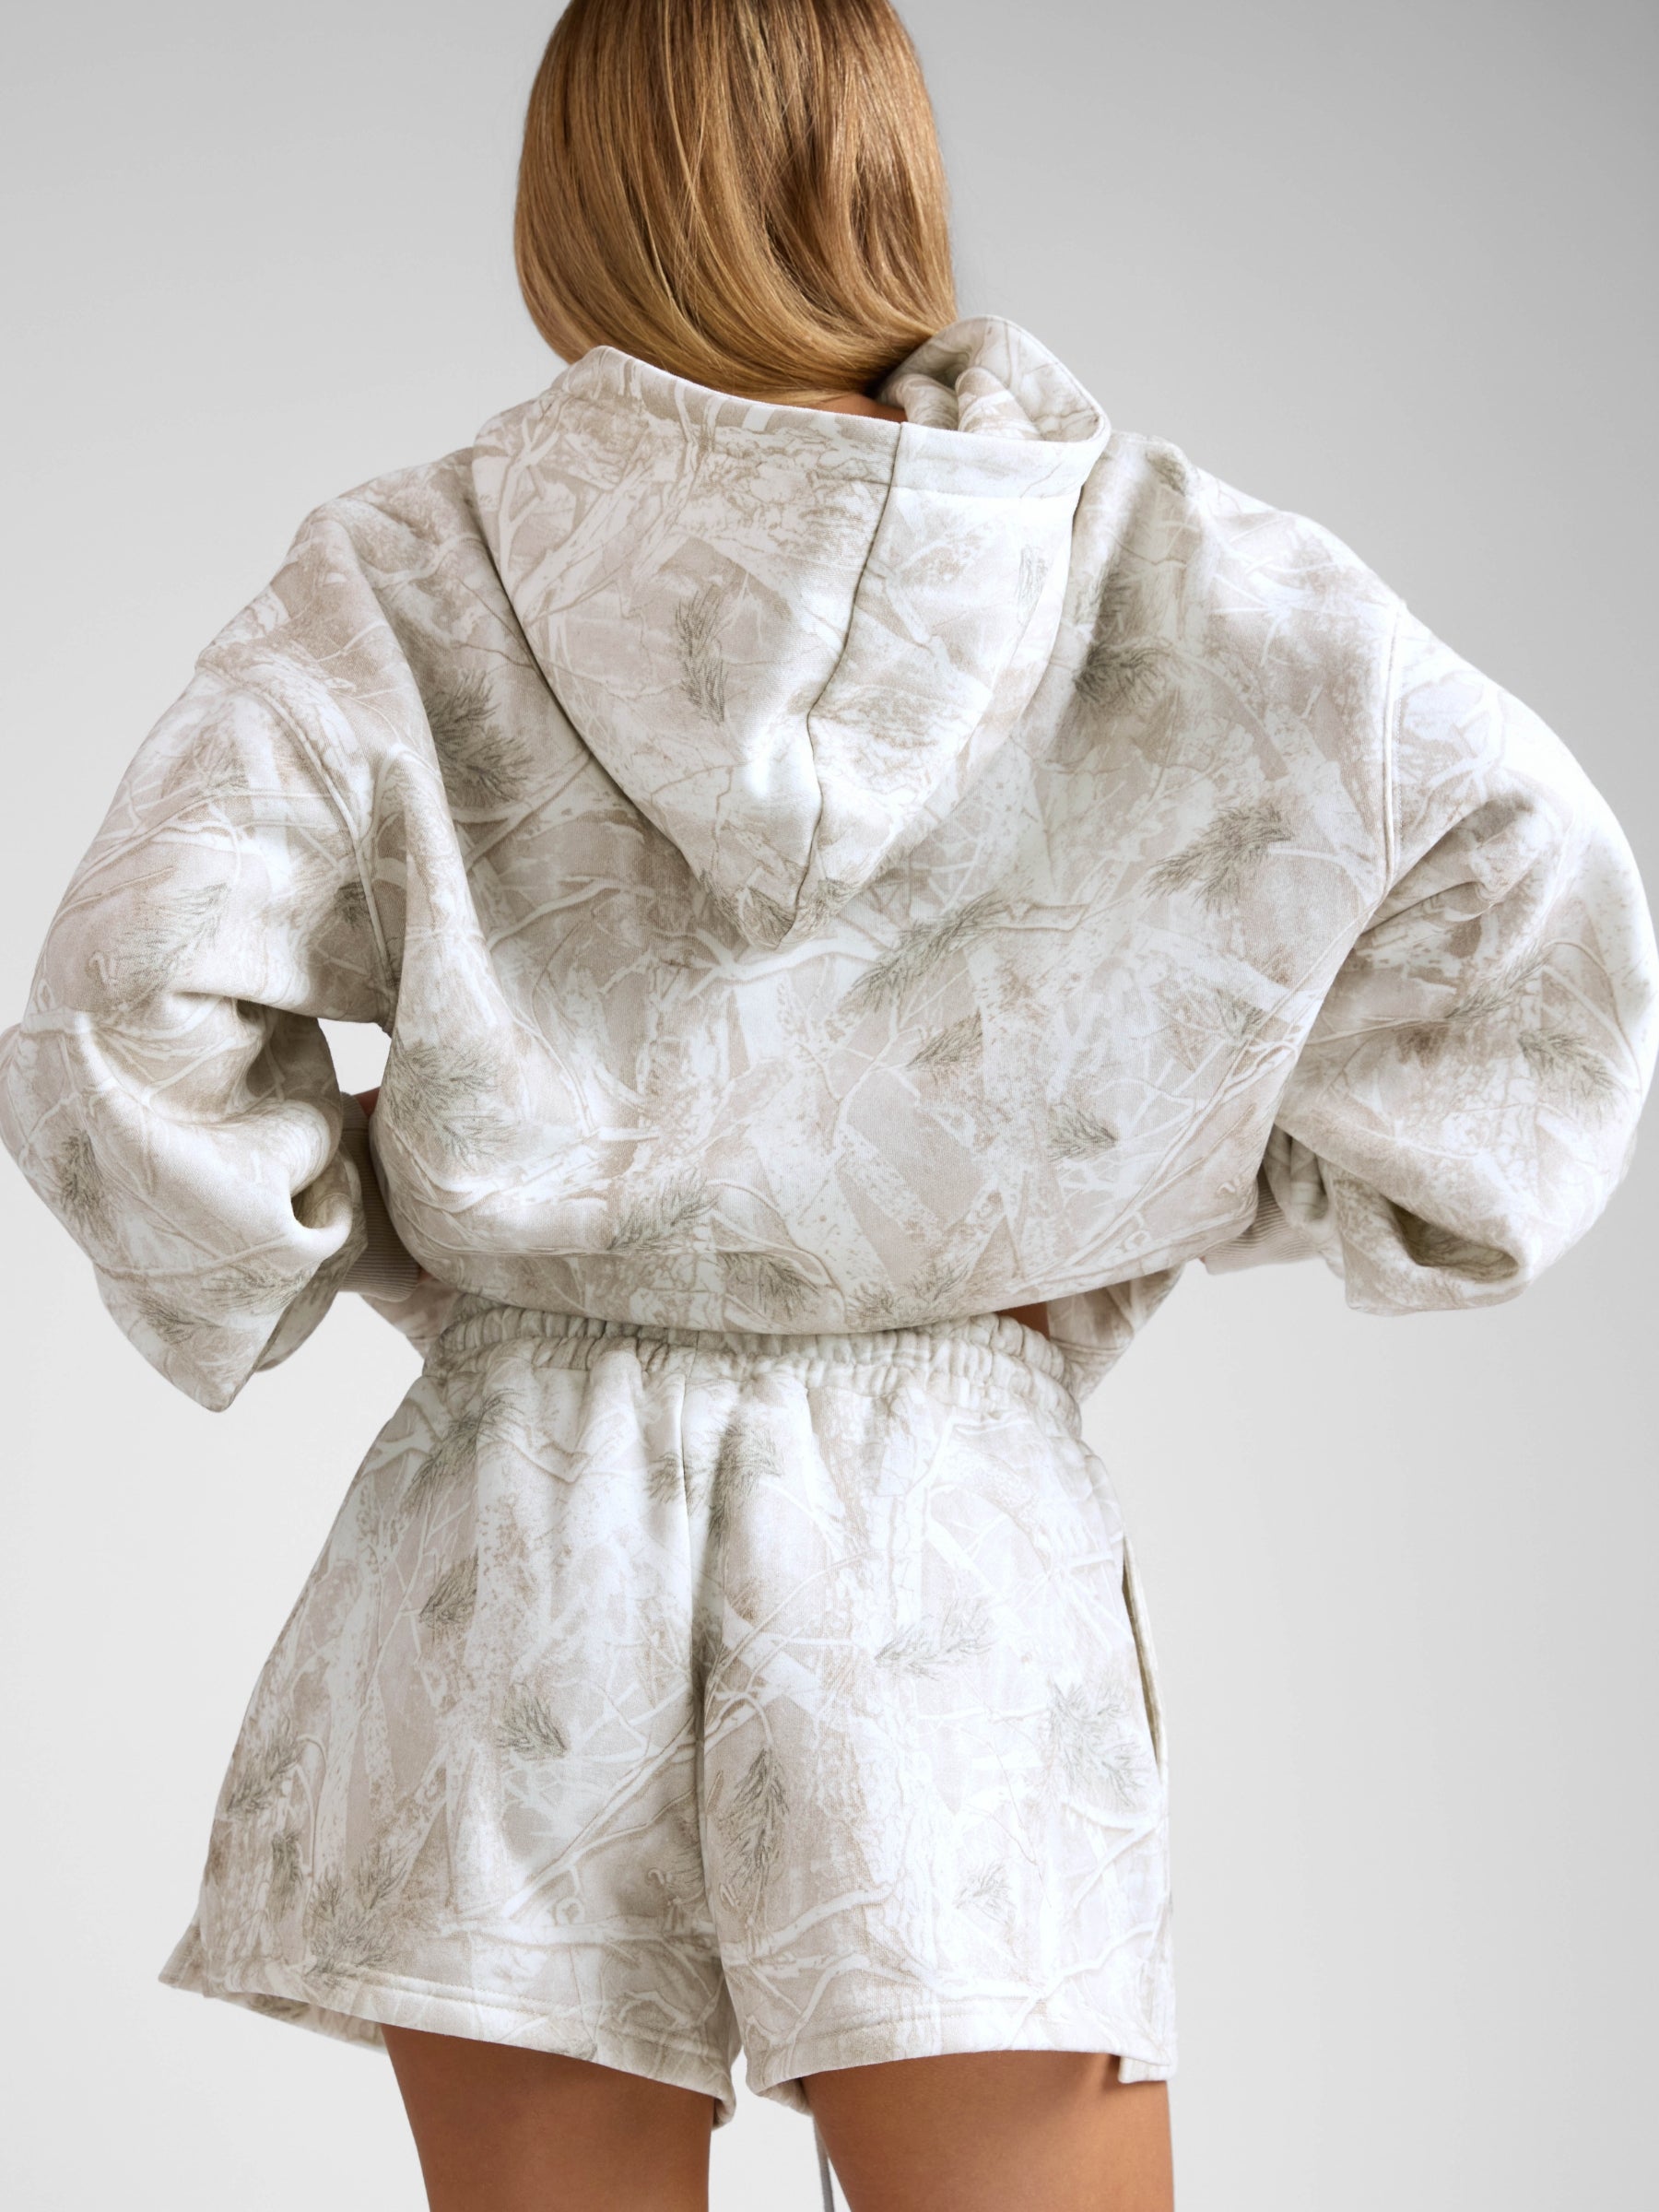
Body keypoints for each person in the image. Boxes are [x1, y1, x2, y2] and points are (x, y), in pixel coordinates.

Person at [2, 2, 1654, 2206]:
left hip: (519, 1511)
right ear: (887, 167)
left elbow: (128, 1002)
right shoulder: (1146, 557)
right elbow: (1528, 891)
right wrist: (1163, 1198)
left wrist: (417, 1246)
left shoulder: (410, 572)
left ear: (573, 192)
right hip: (944, 1531)